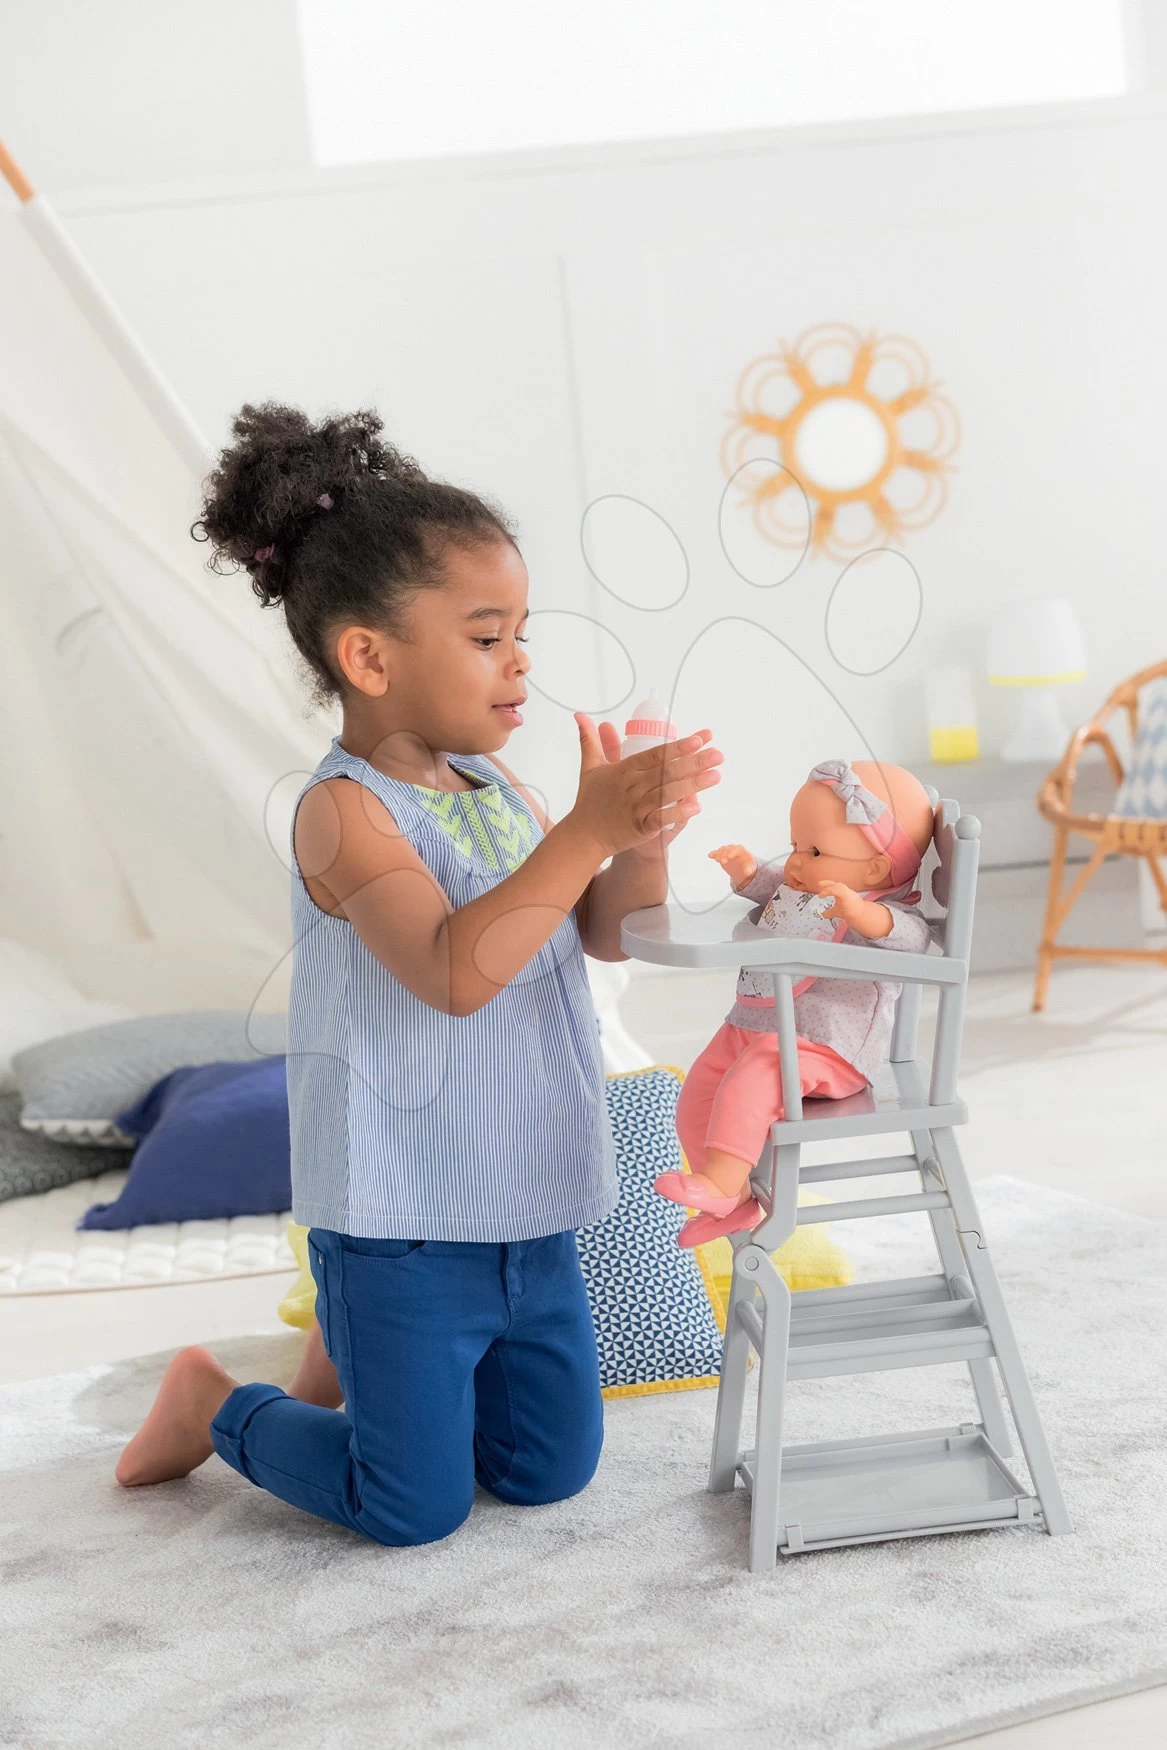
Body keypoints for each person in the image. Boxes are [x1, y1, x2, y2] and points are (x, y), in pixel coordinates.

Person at [114, 402, 723, 1546]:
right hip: (403, 1219)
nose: (521, 659)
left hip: (529, 1205)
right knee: (411, 1506)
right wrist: (584, 831)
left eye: (522, 632)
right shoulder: (344, 815)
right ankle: (216, 1403)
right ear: (368, 657)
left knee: (547, 1470)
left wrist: (639, 837)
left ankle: (353, 1364)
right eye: (488, 636)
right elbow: (453, 970)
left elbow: (603, 934)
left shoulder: (506, 797)